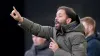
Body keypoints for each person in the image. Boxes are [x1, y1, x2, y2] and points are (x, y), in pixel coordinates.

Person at [10, 6, 87, 56]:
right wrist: (21, 19)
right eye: (56, 16)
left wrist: (57, 50)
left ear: (68, 20)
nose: (56, 18)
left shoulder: (78, 36)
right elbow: (37, 29)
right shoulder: (53, 31)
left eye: (60, 16)